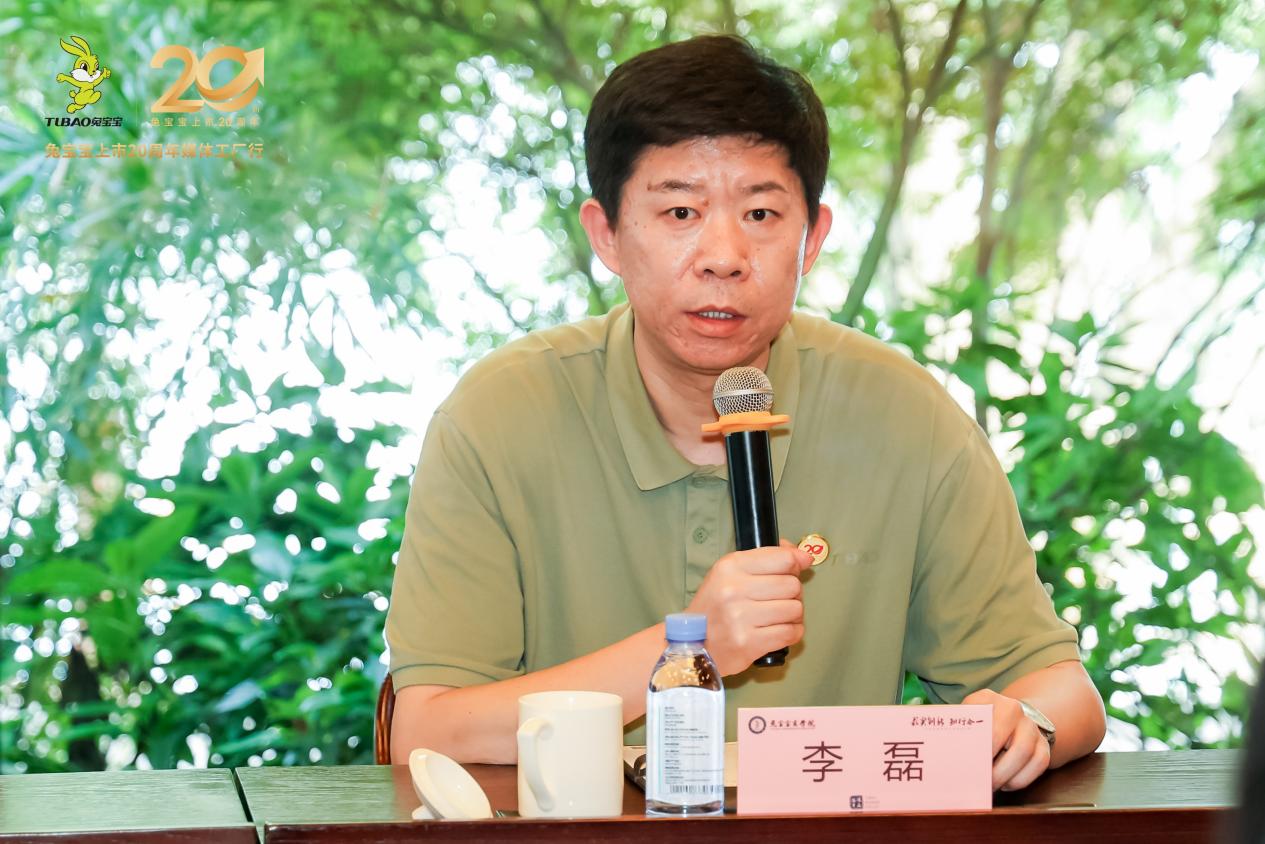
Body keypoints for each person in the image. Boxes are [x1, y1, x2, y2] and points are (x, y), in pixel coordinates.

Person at [385, 34, 1106, 791]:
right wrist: (687, 651)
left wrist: (1027, 724)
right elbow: (426, 732)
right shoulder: (498, 416)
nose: (723, 255)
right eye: (680, 211)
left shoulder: (904, 415)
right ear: (607, 235)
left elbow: (1060, 691)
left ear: (812, 239)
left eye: (761, 213)